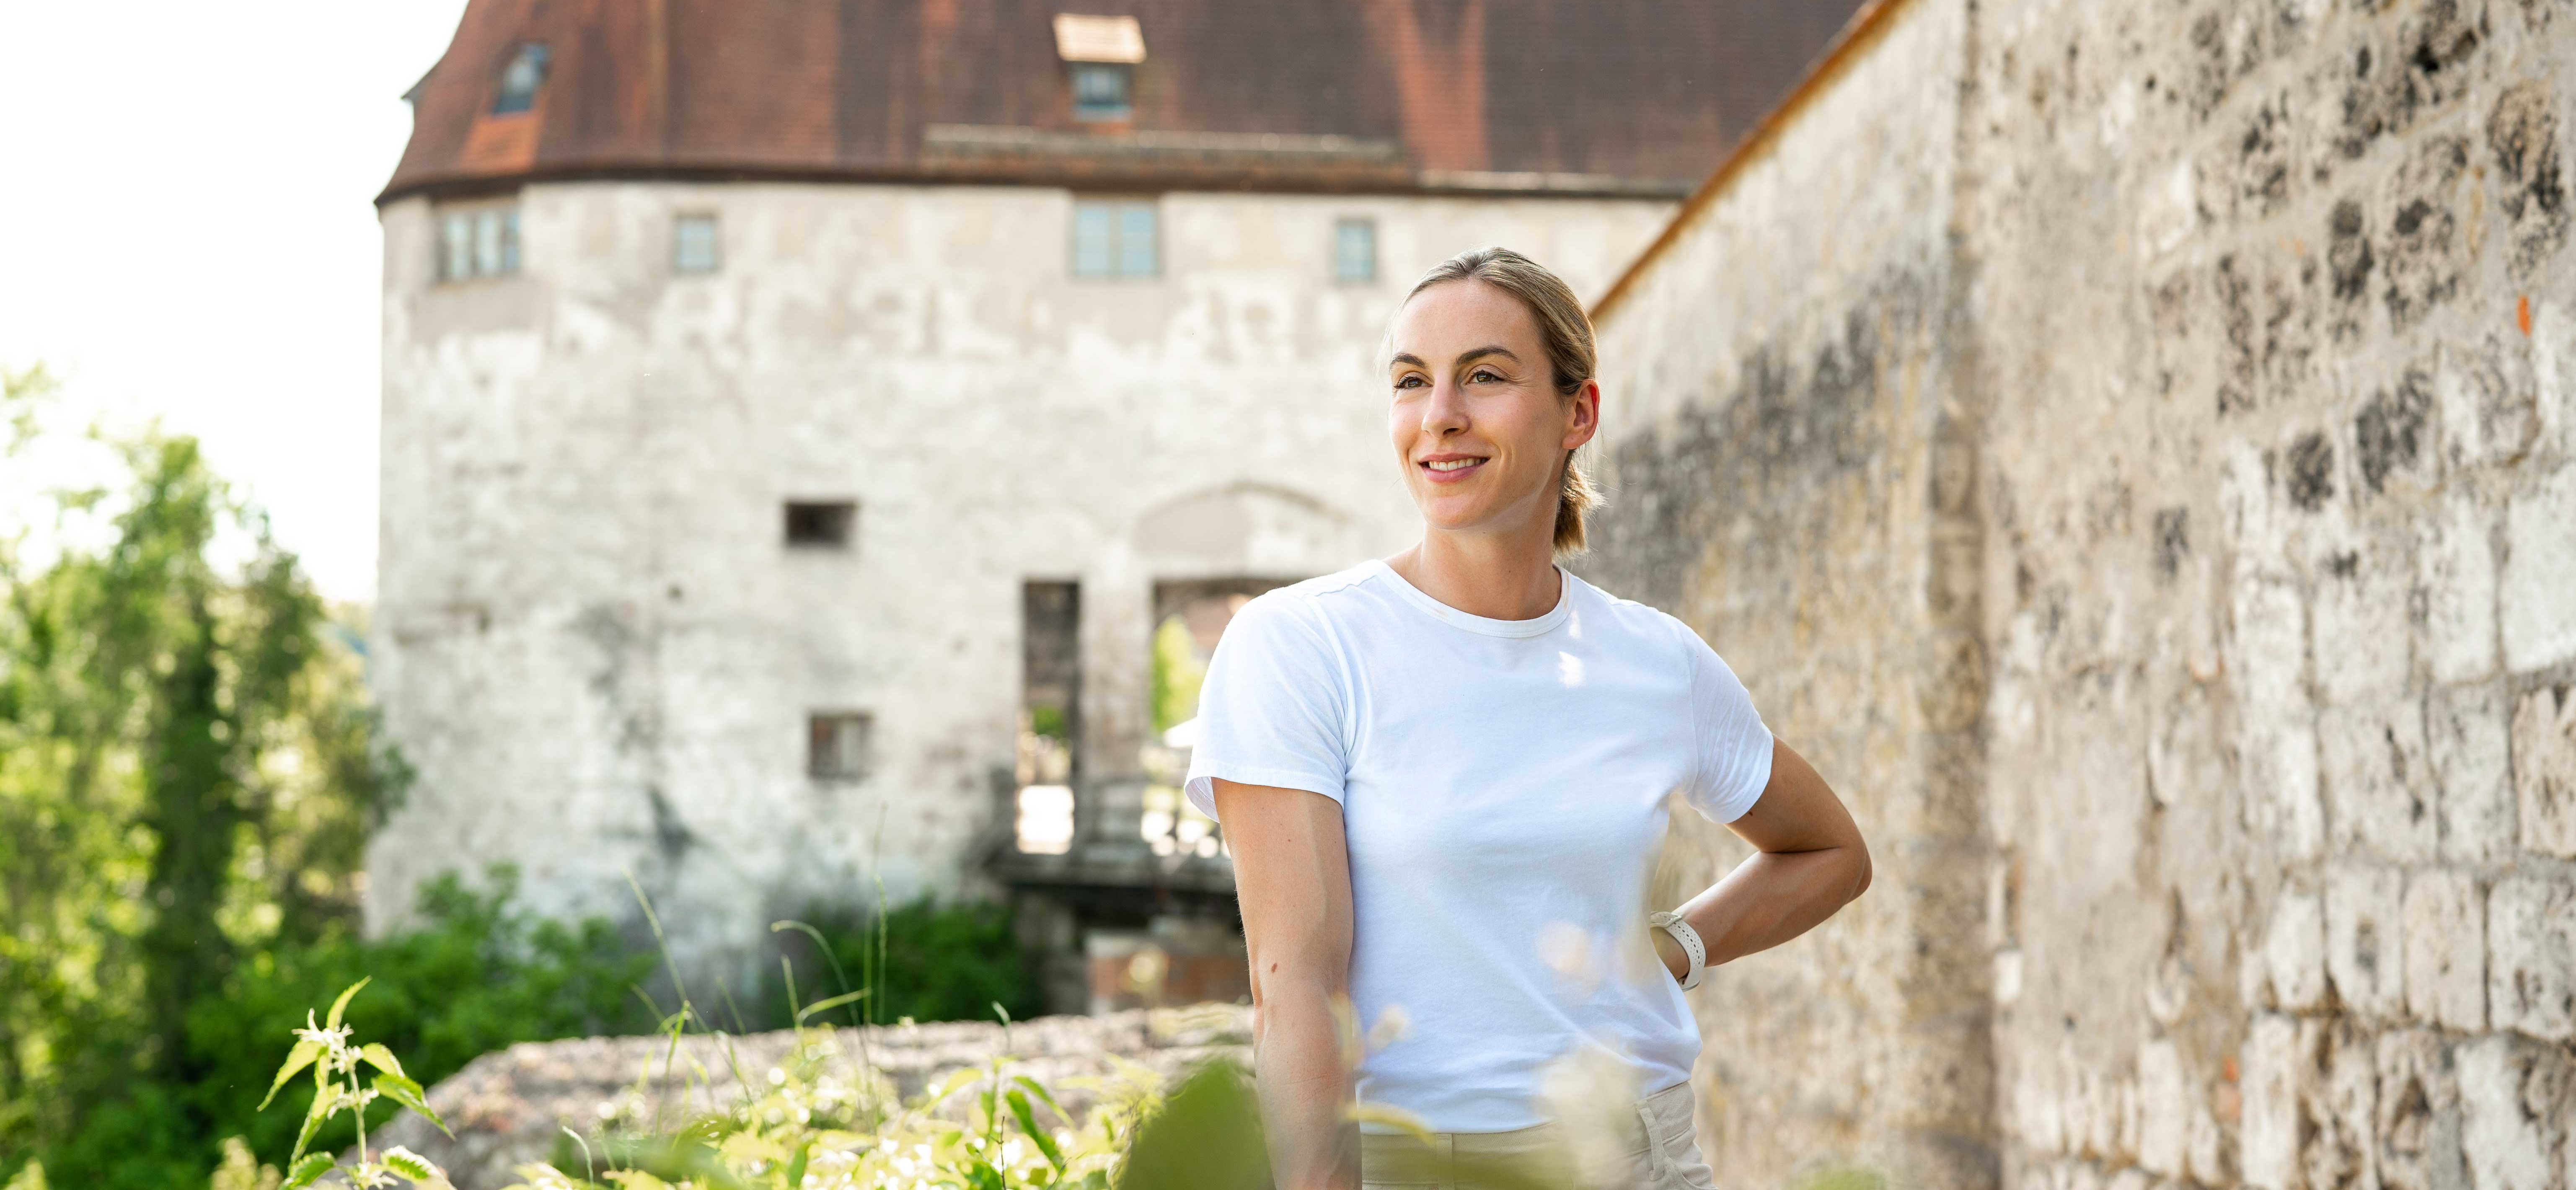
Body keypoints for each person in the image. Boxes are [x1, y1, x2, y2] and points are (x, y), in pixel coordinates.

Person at [1184, 247, 1873, 1190]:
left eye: (1484, 376)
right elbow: (1294, 987)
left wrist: (1671, 947)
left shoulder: (1657, 661)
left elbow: (1828, 851)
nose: (1439, 417)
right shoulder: (1299, 644)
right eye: (1410, 382)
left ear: (1576, 413)